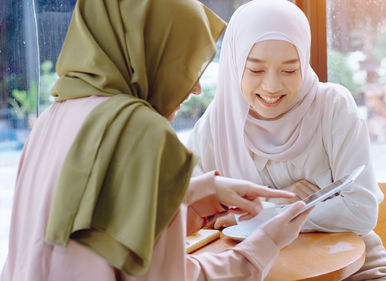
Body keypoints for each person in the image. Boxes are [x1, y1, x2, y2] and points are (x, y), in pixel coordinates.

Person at [0, 0, 313, 280]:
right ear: (148, 54)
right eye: (183, 63)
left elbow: (83, 218)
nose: (195, 90)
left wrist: (196, 192)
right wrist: (265, 244)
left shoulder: (53, 119)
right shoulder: (142, 133)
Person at [187, 0, 386, 280]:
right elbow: (192, 216)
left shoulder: (332, 107)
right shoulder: (217, 124)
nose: (272, 86)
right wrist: (302, 206)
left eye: (289, 70)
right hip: (256, 273)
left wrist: (267, 213)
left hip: (352, 271)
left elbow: (361, 210)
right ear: (235, 64)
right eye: (256, 70)